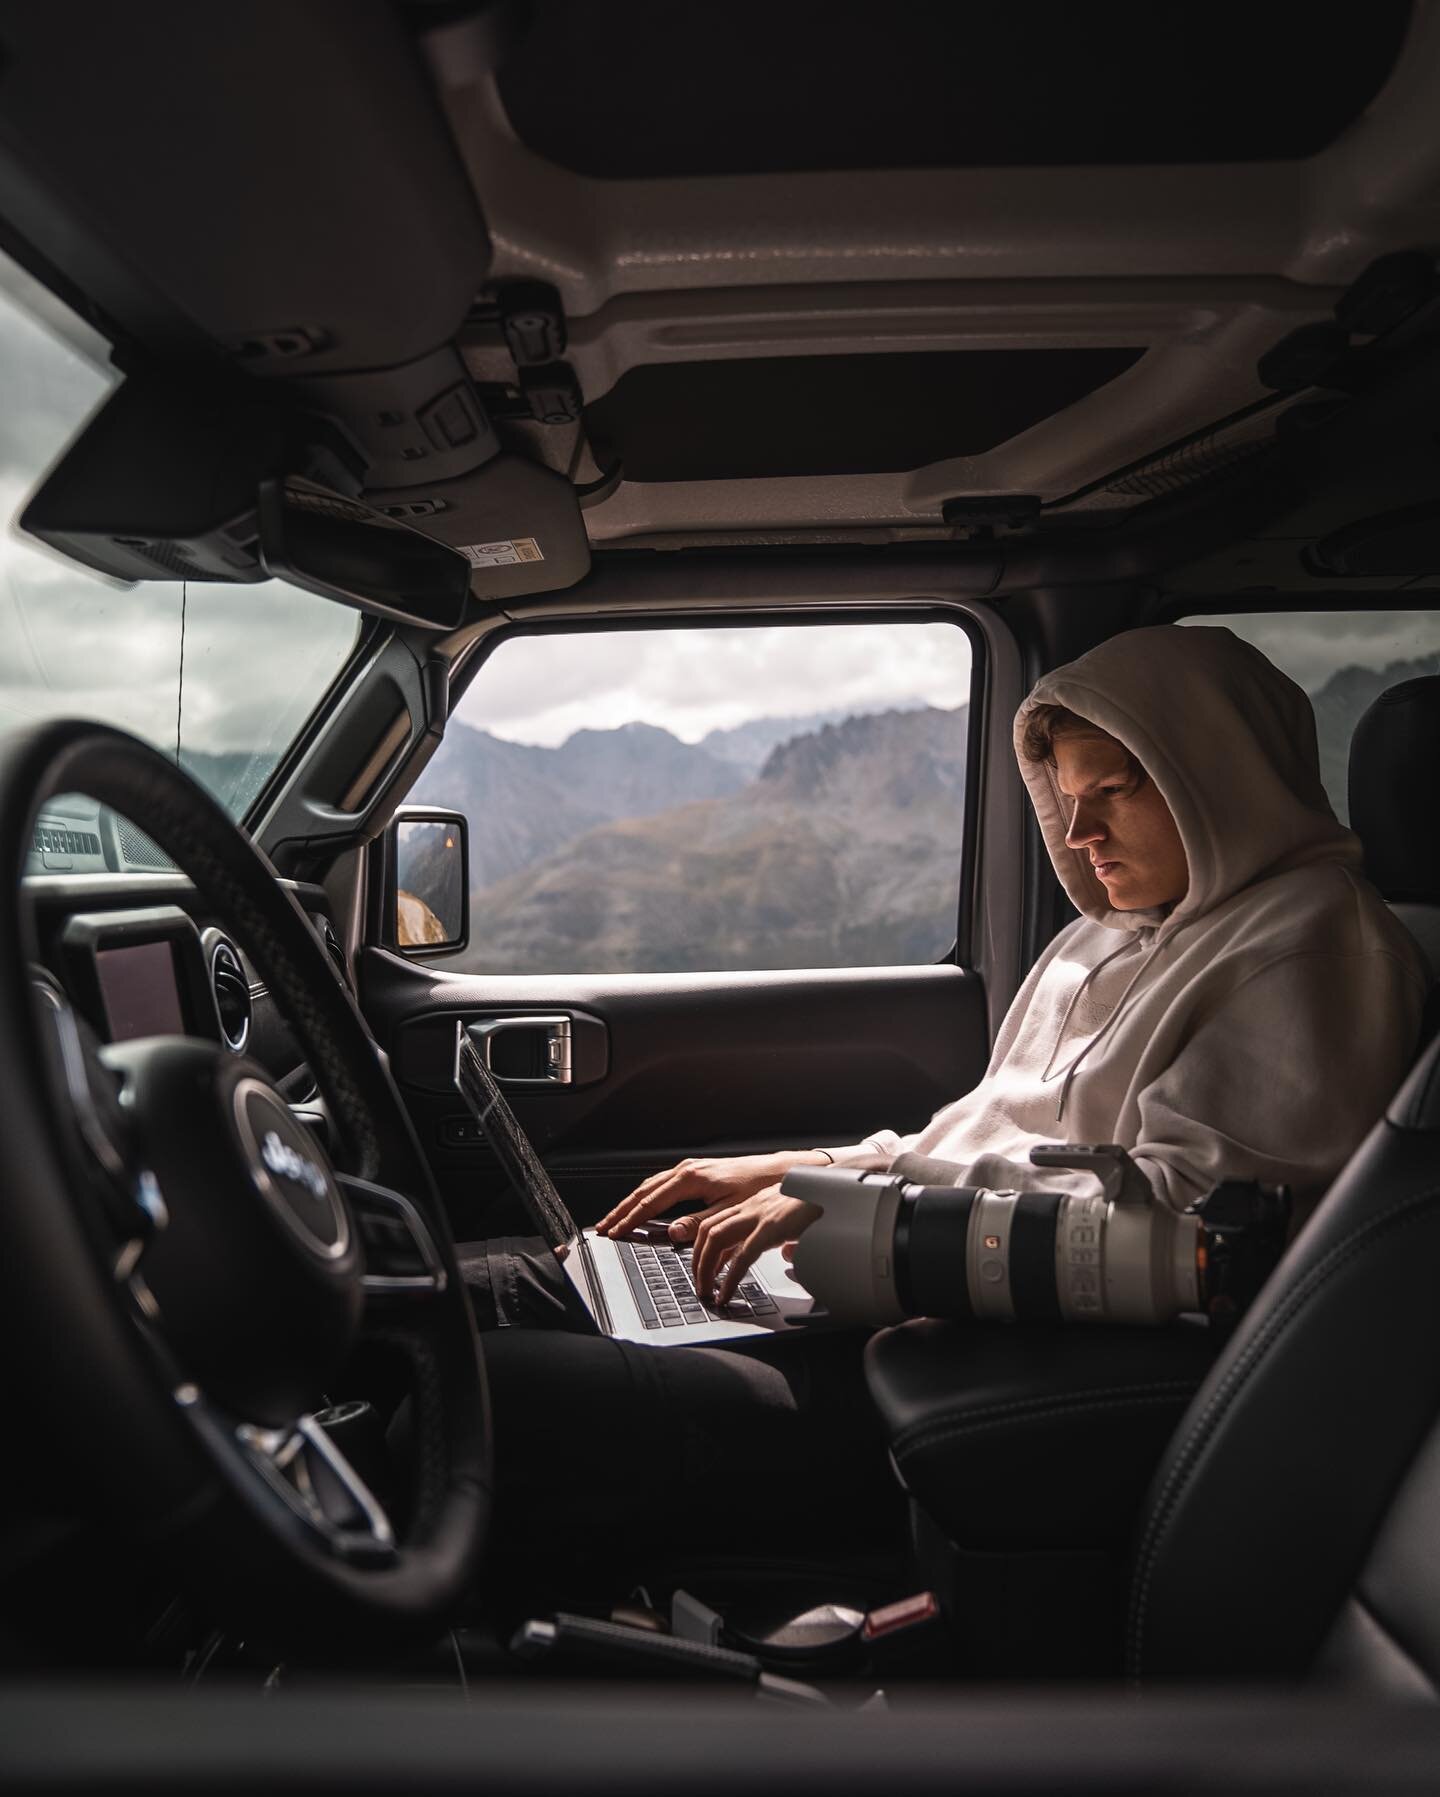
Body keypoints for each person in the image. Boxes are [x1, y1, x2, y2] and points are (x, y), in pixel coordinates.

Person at [464, 624, 1427, 1581]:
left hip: (982, 1361)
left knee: (492, 1393)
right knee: (463, 1292)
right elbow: (973, 1132)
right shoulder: (1109, 932)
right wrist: (812, 1173)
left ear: (1217, 774)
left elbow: (1194, 1227)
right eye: (1070, 798)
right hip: (894, 1289)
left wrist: (872, 1206)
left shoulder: (1314, 949)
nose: (1082, 835)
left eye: (1116, 793)